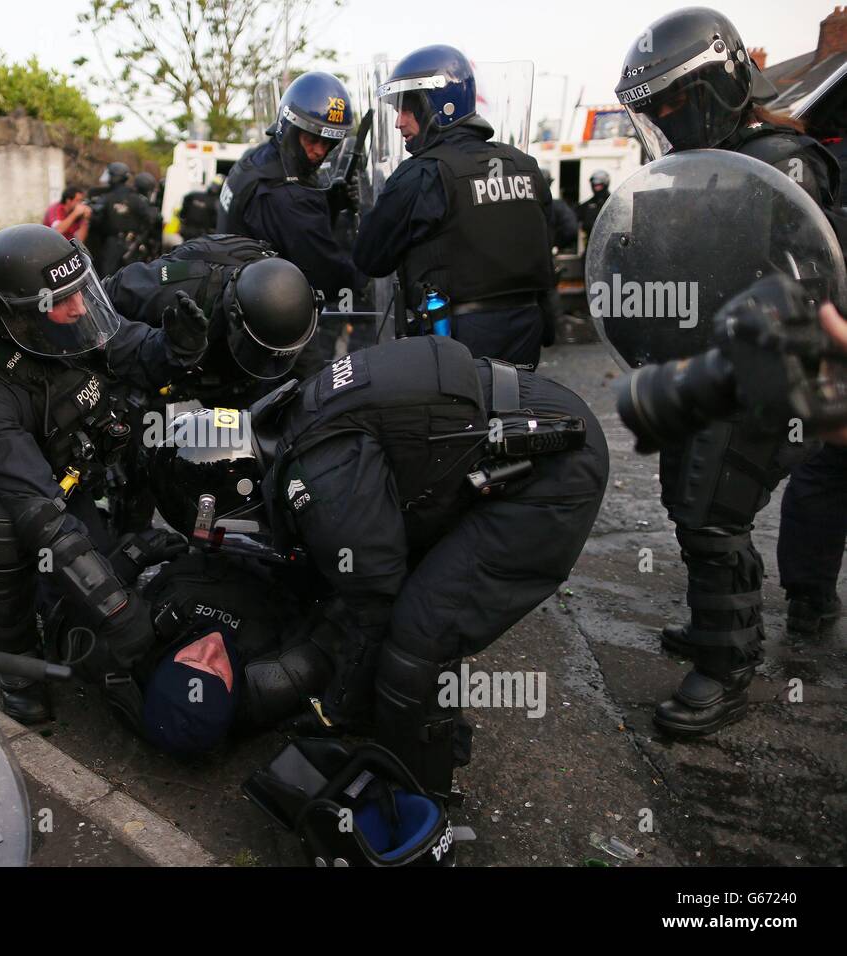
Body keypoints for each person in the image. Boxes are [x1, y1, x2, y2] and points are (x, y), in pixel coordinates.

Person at [150, 337, 609, 796]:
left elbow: (375, 601)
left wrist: (335, 710)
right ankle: (411, 733)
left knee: (419, 637)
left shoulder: (321, 476)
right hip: (519, 424)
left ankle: (418, 797)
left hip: (553, 466)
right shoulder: (294, 417)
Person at [615, 6, 840, 735]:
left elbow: (809, 283)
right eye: (655, 110)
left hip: (768, 371)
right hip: (704, 365)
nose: (666, 120)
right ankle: (716, 622)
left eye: (674, 102)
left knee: (716, 512)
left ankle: (727, 666)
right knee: (689, 500)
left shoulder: (784, 164)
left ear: (717, 85)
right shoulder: (693, 171)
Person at [0, 223, 210, 723]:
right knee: (2, 524)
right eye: (61, 299)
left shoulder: (73, 321)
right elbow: (41, 513)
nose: (79, 307)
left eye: (80, 290)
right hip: (22, 493)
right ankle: (17, 663)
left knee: (148, 422)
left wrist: (175, 348)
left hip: (75, 471)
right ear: (10, 314)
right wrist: (117, 611)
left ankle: (121, 543)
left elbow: (136, 353)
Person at [353, 45, 555, 369]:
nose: (398, 123)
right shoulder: (525, 166)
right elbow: (546, 246)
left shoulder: (422, 173)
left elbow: (369, 257)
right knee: (515, 416)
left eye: (407, 109)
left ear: (437, 106)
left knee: (458, 420)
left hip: (454, 345)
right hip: (526, 335)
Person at [217, 71, 366, 376]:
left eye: (328, 144)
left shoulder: (256, 160)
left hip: (240, 306)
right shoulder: (285, 194)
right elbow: (323, 268)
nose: (319, 152)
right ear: (290, 127)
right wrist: (367, 277)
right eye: (312, 140)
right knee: (310, 401)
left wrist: (331, 200)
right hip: (269, 324)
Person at [103, 233, 317, 407]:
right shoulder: (175, 287)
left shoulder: (294, 306)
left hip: (232, 380)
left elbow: (307, 375)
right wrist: (156, 348)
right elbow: (100, 301)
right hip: (164, 367)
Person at [85, 162, 155, 274]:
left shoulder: (106, 197)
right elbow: (150, 219)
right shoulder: (136, 197)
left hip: (111, 245)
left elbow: (95, 220)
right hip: (133, 244)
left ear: (113, 177)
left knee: (107, 279)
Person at [577, 170, 611, 241]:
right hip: (591, 242)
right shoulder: (586, 205)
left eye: (599, 185)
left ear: (605, 184)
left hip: (610, 242)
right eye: (595, 185)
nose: (596, 188)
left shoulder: (614, 202)